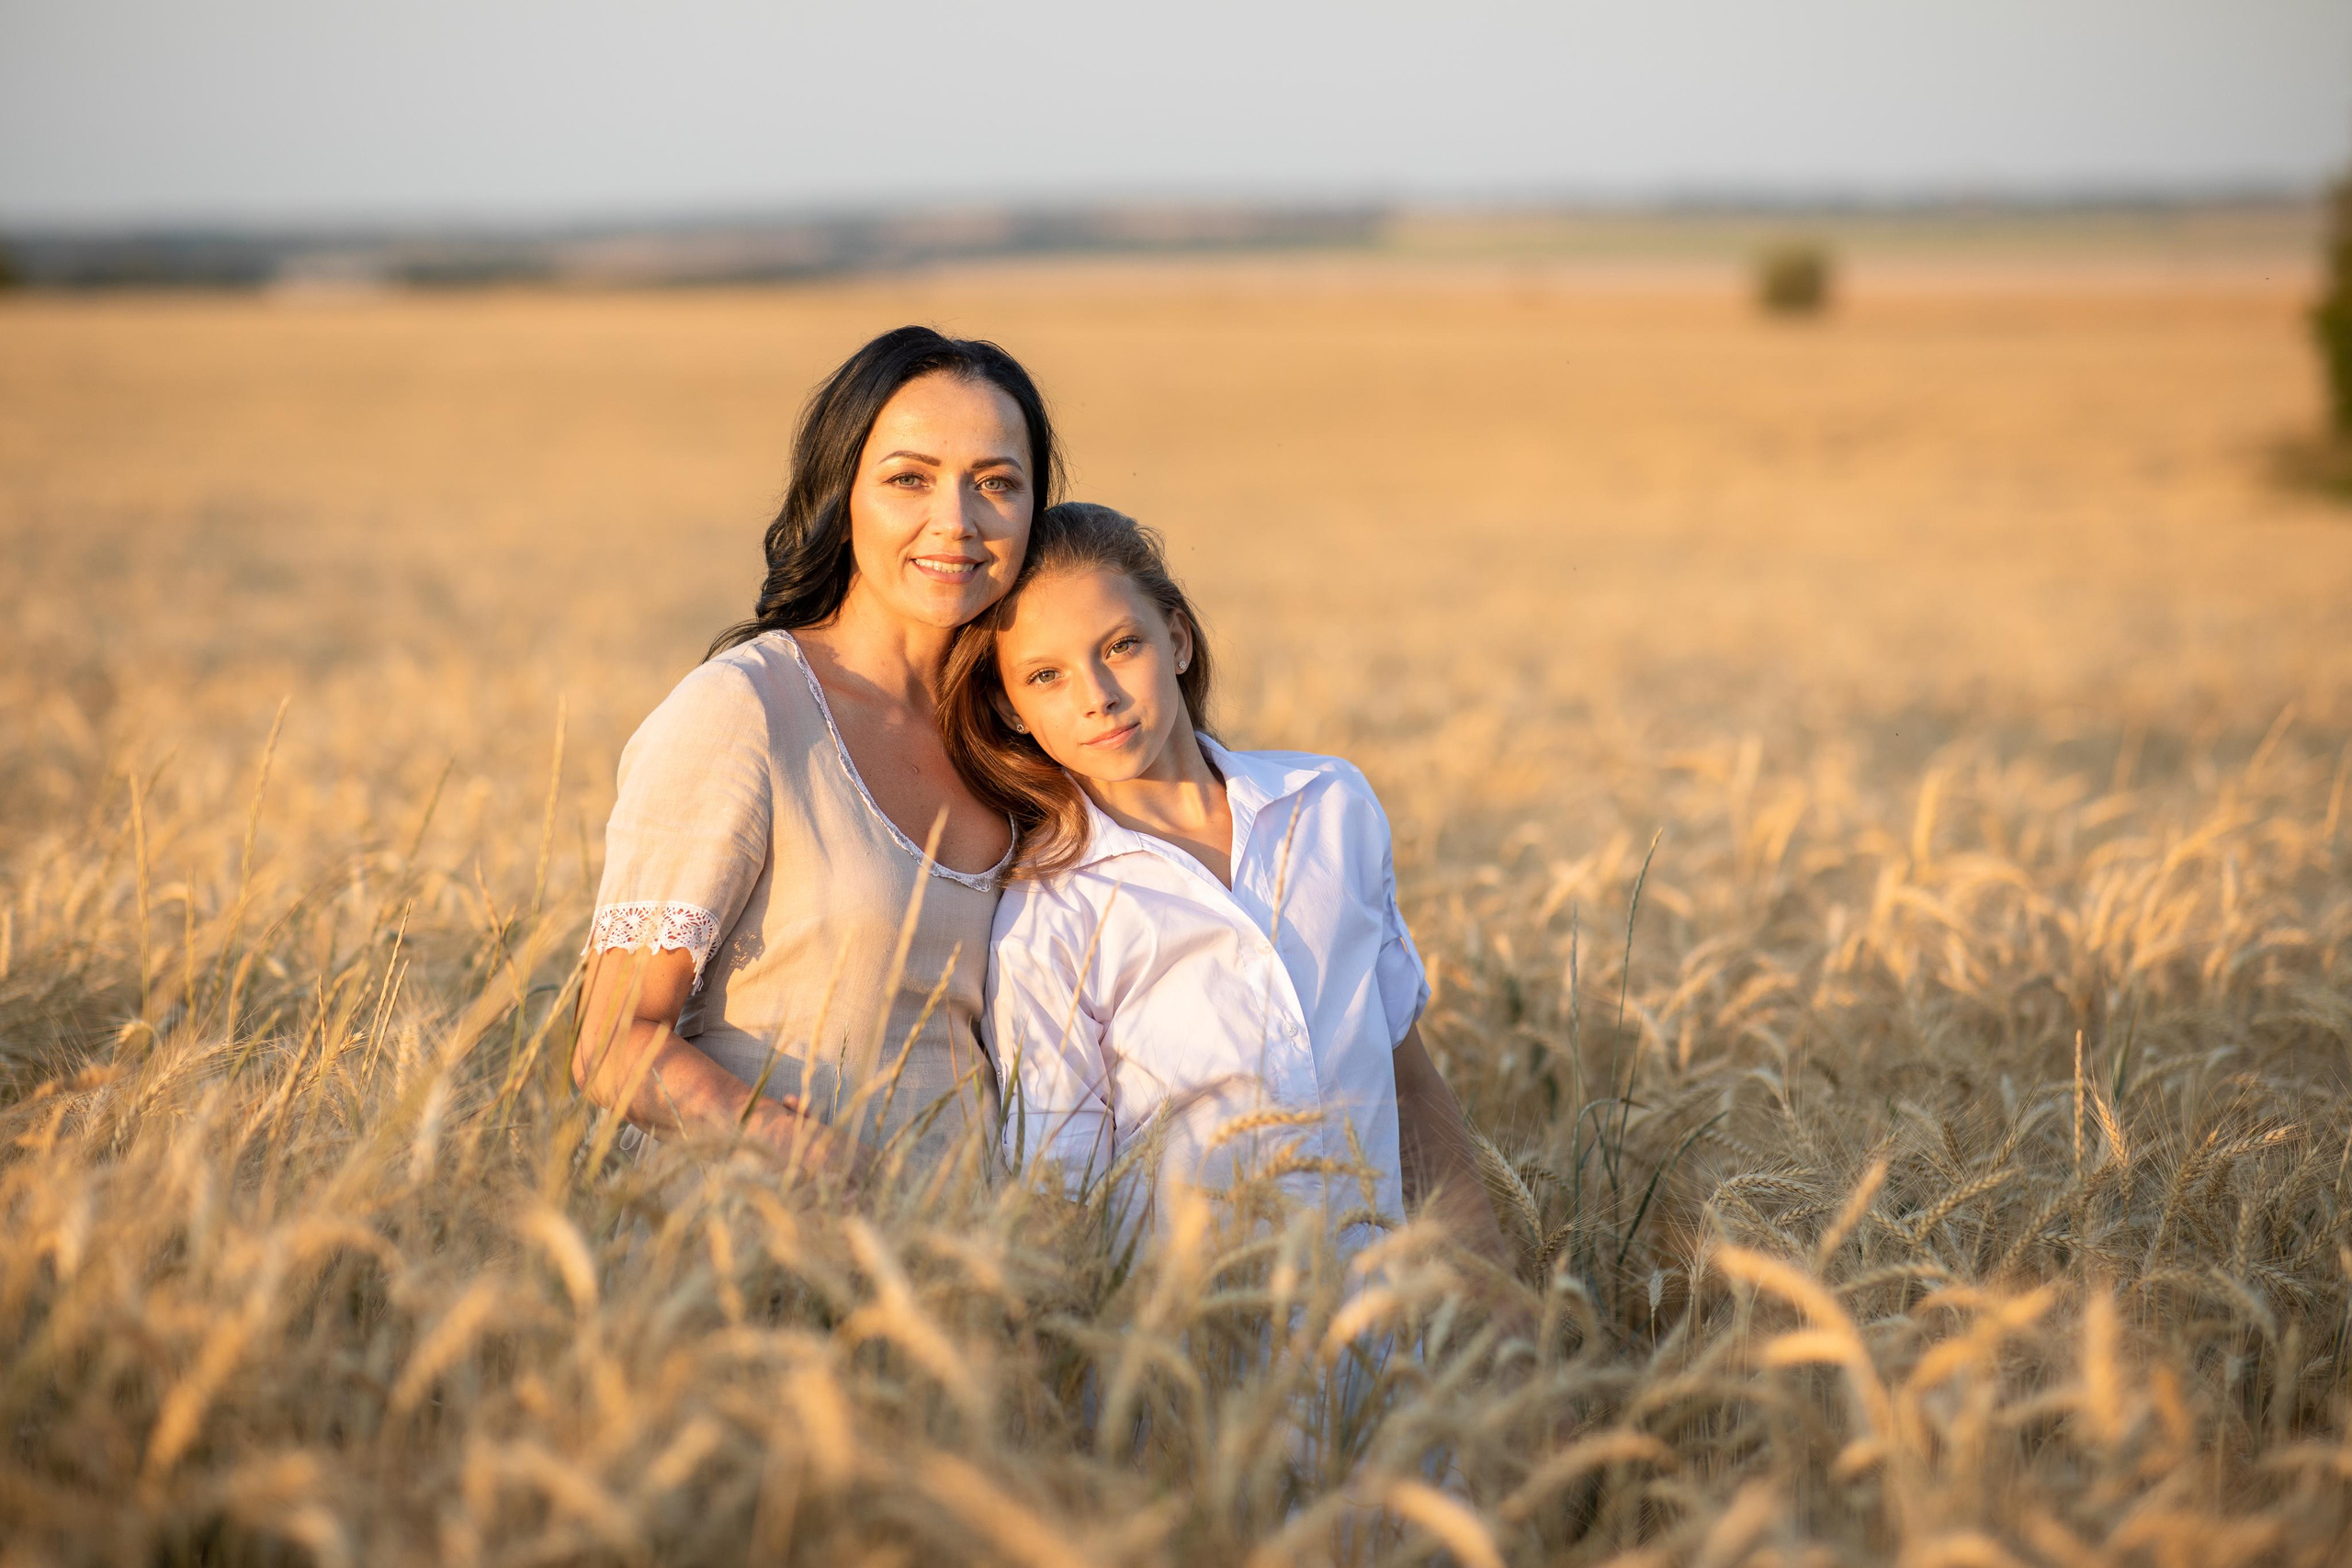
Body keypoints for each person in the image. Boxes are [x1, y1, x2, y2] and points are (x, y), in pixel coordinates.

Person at [940, 502, 1510, 1271]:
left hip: (1383, 1348)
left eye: (1121, 645)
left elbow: (1407, 1082)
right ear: (1010, 707)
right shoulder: (1048, 913)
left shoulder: (1329, 806)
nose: (1097, 694)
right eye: (1047, 675)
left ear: (1175, 638)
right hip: (1200, 1364)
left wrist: (1494, 1286)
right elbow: (1060, 1195)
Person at [573, 326, 1060, 1178]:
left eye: (996, 483)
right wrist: (820, 1165)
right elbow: (613, 1045)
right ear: (843, 495)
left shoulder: (1029, 735)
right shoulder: (747, 710)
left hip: (964, 1268)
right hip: (756, 1252)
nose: (956, 520)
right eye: (909, 478)